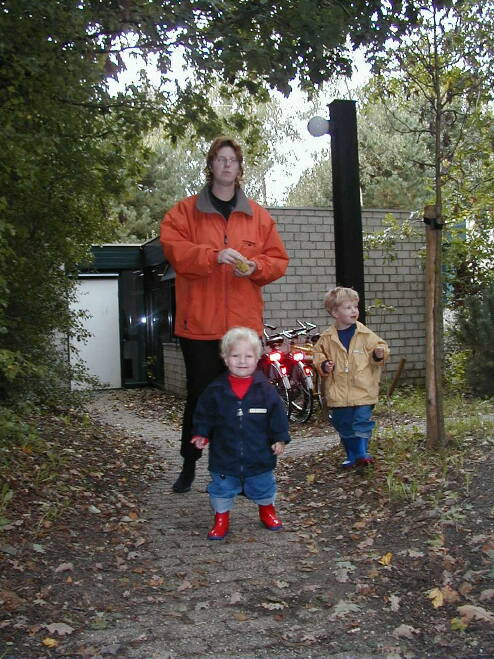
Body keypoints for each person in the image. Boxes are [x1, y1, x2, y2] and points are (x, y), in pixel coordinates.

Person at [160, 136, 289, 493]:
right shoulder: (183, 213)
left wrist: (255, 268)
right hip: (199, 326)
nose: (227, 165)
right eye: (220, 159)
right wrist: (211, 255)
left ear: (240, 167)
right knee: (201, 397)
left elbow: (278, 261)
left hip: (243, 330)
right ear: (211, 165)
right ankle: (189, 465)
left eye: (232, 159)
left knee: (248, 400)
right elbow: (174, 249)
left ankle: (249, 472)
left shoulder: (258, 216)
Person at [191, 327, 290, 540]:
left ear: (257, 359)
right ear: (226, 359)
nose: (242, 361)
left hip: (259, 454)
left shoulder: (265, 390)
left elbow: (277, 417)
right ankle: (221, 518)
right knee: (222, 488)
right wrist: (201, 433)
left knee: (264, 486)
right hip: (224, 455)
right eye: (235, 355)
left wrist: (279, 438)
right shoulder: (216, 390)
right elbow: (204, 414)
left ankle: (267, 510)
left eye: (248, 356)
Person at [312, 286, 389, 469]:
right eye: (348, 308)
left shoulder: (365, 334)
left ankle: (362, 453)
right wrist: (323, 364)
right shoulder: (327, 338)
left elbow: (381, 347)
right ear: (334, 312)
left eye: (355, 307)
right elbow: (317, 355)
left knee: (362, 421)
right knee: (343, 424)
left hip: (363, 389)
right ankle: (353, 455)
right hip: (338, 393)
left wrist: (379, 353)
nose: (354, 311)